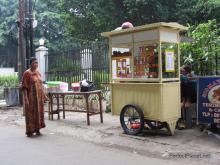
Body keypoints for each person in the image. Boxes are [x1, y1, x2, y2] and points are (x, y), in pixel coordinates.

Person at [22, 57, 48, 137]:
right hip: (31, 98)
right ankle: (30, 131)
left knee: (39, 113)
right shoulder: (27, 73)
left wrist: (44, 96)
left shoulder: (38, 73)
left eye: (37, 63)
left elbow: (41, 85)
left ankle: (37, 129)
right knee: (31, 114)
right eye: (34, 63)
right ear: (31, 64)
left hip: (39, 98)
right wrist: (26, 99)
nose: (36, 64)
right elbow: (24, 87)